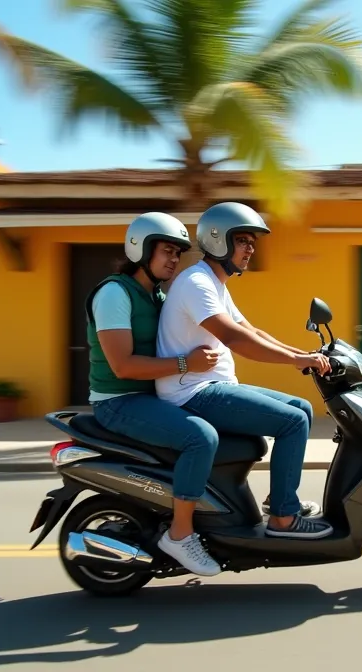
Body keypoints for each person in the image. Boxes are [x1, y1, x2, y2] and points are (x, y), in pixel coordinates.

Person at [155, 201, 335, 540]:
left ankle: (279, 499)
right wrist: (297, 361)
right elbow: (235, 338)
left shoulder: (215, 283)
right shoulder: (197, 282)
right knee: (292, 422)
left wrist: (304, 354)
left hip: (209, 385)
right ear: (218, 239)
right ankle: (284, 518)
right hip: (193, 392)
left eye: (253, 242)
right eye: (243, 241)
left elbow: (252, 331)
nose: (251, 249)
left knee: (302, 409)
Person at [85, 212, 226, 576]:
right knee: (200, 438)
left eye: (178, 253)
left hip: (152, 397)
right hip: (119, 402)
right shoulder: (114, 293)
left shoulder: (158, 295)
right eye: (167, 251)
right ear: (141, 250)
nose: (174, 260)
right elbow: (123, 366)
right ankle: (180, 534)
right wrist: (187, 364)